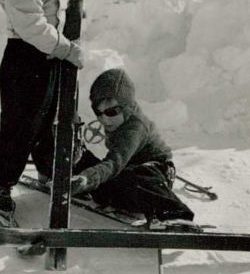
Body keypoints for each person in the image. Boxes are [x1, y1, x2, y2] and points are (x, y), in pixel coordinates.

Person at [0, 0, 87, 222]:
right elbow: (31, 24)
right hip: (24, 58)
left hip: (48, 53)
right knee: (20, 125)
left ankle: (48, 171)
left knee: (48, 120)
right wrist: (65, 48)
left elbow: (53, 2)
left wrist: (69, 18)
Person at [62, 67, 195, 228]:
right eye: (98, 112)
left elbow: (114, 162)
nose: (104, 119)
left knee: (135, 176)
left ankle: (176, 214)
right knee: (101, 179)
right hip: (127, 172)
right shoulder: (118, 121)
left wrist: (88, 178)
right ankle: (69, 174)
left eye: (111, 112)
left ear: (127, 108)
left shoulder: (134, 128)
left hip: (154, 173)